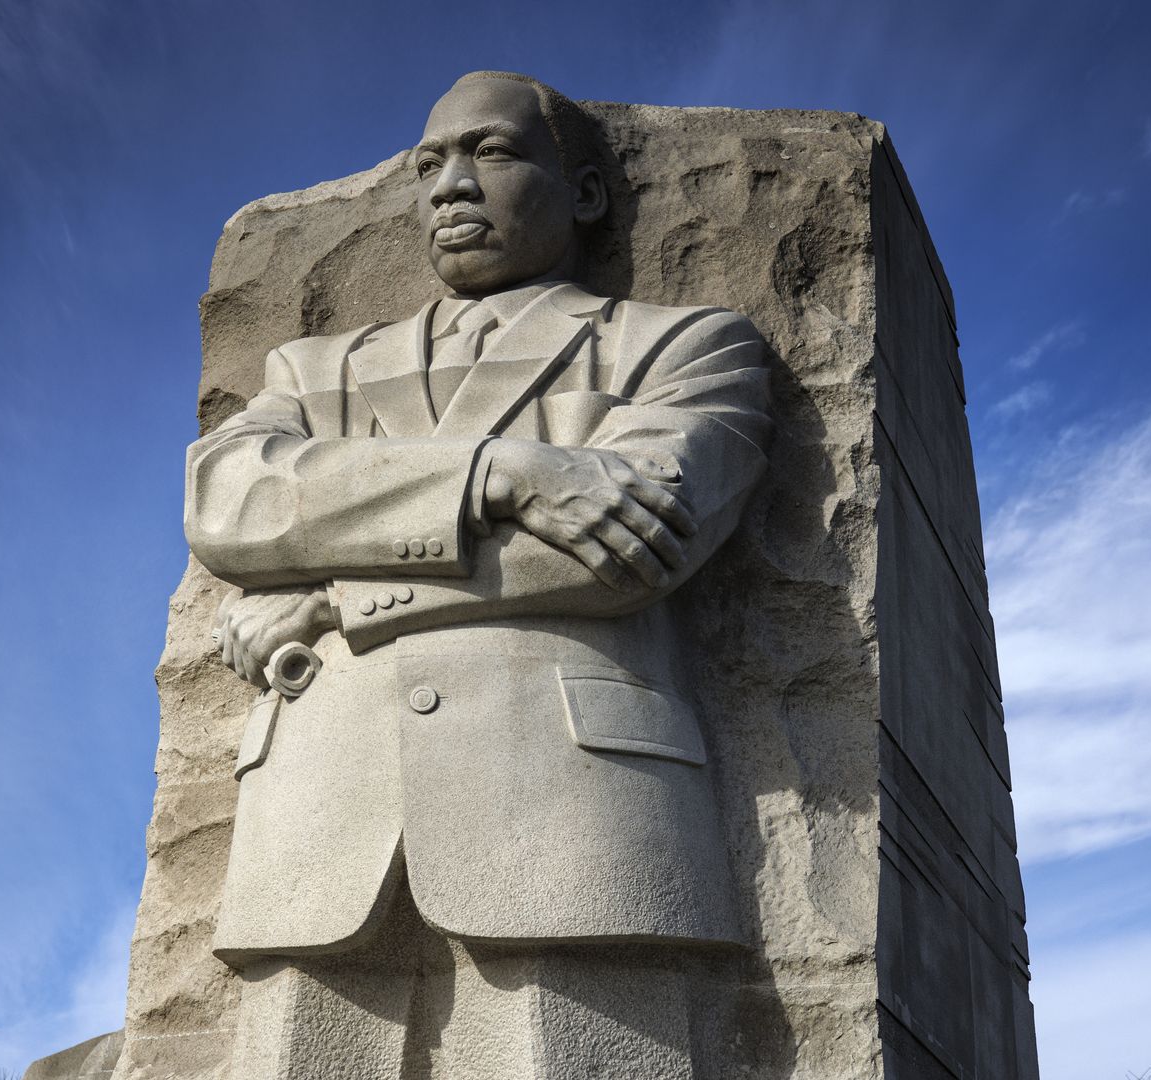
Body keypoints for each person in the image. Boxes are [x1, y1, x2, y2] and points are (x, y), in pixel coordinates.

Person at [183, 70, 773, 1078]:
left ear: (585, 192)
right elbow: (231, 503)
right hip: (319, 816)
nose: (451, 185)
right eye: (429, 166)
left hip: (573, 813)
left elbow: (629, 549)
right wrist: (502, 472)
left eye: (491, 152)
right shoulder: (314, 373)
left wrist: (331, 601)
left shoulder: (682, 347)